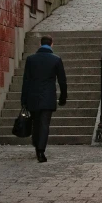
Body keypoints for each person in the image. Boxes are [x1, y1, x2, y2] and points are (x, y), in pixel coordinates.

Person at [21, 35, 68, 163]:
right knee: (44, 124)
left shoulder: (31, 59)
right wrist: (63, 97)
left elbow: (26, 81)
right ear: (52, 44)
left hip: (33, 97)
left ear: (40, 44)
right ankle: (41, 151)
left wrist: (23, 100)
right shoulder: (56, 60)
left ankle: (37, 146)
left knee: (36, 123)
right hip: (48, 97)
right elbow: (62, 81)